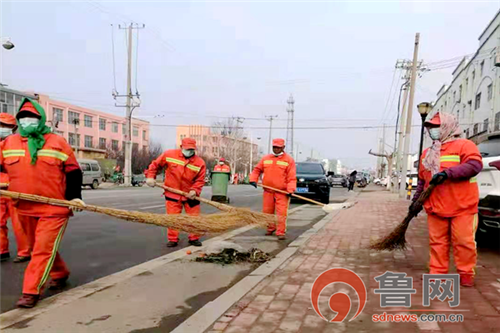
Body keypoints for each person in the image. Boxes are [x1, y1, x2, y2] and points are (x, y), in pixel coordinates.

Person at [0, 98, 84, 308]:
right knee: (40, 247)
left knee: (41, 250)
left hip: (54, 208)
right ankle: (60, 272)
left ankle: (31, 291)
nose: (27, 121)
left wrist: (75, 196)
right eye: (23, 118)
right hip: (24, 207)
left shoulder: (57, 142)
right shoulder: (8, 144)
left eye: (32, 117)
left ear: (40, 119)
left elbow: (73, 170)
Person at [410, 112, 482, 287]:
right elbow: (422, 180)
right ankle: (437, 273)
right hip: (435, 206)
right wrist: (416, 201)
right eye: (430, 128)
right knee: (437, 243)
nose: (432, 131)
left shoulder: (465, 145)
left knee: (463, 242)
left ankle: (465, 274)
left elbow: (474, 166)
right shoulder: (428, 153)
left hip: (462, 206)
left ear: (448, 126)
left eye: (436, 127)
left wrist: (448, 173)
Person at [145, 138, 206, 247]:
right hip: (172, 193)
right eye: (187, 149)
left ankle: (194, 238)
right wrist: (150, 177)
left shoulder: (200, 162)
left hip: (190, 195)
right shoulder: (169, 155)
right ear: (181, 147)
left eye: (192, 150)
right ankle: (173, 239)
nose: (189, 151)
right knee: (173, 218)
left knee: (194, 218)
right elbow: (155, 165)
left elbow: (200, 180)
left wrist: (194, 190)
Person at [249, 138, 296, 240]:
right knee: (267, 211)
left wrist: (290, 189)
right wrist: (253, 179)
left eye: (278, 147)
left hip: (282, 192)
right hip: (268, 191)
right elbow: (257, 170)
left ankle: (280, 232)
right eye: (274, 147)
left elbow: (291, 177)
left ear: (283, 147)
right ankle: (270, 228)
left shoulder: (288, 160)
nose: (276, 149)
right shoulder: (266, 159)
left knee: (281, 212)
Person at [0, 113, 30, 263]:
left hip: (14, 187)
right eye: (0, 125)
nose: (2, 128)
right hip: (1, 188)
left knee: (19, 222)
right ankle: (2, 250)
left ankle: (25, 251)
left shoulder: (19, 143)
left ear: (13, 128)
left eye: (5, 126)